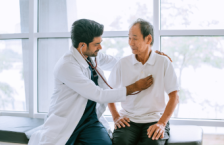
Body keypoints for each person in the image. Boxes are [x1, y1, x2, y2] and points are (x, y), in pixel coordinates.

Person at [27, 19, 154, 145]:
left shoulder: (92, 56)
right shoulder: (66, 66)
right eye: (96, 44)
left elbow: (120, 63)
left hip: (89, 121)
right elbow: (99, 95)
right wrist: (134, 87)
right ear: (82, 45)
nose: (100, 47)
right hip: (66, 120)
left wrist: (148, 55)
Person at [108, 18, 179, 145]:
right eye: (129, 38)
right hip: (128, 120)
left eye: (135, 38)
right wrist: (116, 117)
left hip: (155, 118)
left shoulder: (163, 62)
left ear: (148, 39)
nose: (130, 43)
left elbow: (174, 97)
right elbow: (109, 93)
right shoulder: (122, 63)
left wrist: (162, 123)